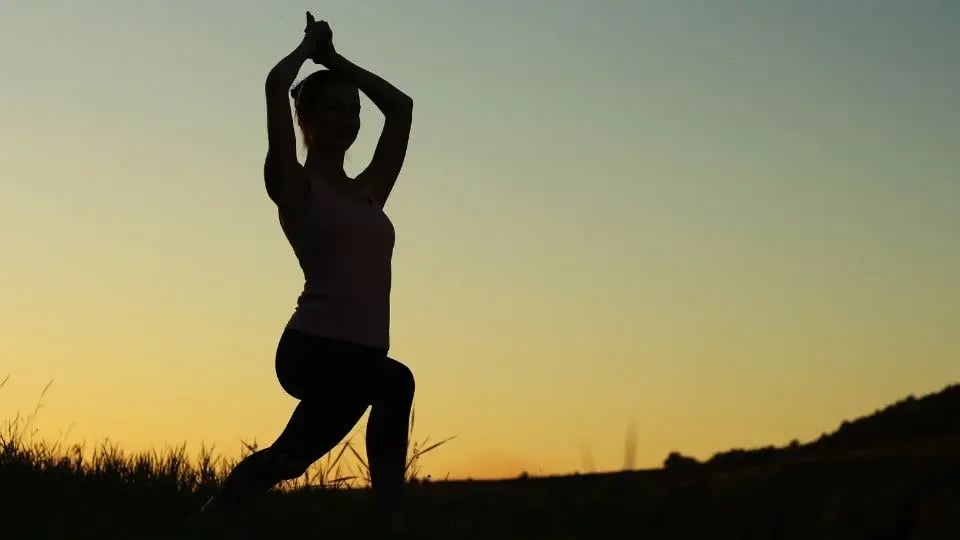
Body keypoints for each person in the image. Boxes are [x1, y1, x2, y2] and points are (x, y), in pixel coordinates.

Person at [199, 11, 416, 533]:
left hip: (361, 355)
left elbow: (402, 110)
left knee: (288, 460)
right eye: (334, 109)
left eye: (353, 110)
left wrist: (336, 62)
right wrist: (306, 48)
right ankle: (392, 519)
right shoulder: (295, 187)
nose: (348, 118)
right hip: (312, 350)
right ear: (308, 120)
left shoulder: (368, 191)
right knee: (396, 383)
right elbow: (277, 86)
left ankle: (206, 520)